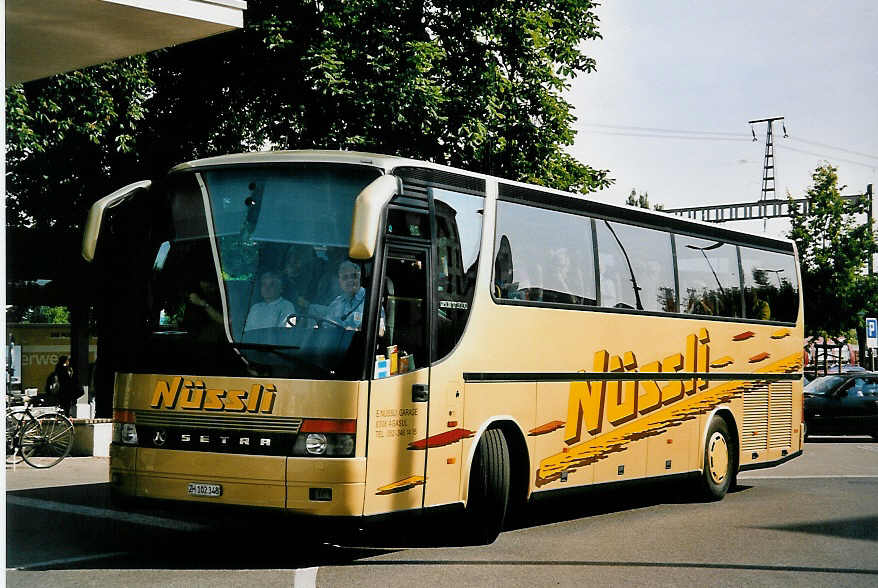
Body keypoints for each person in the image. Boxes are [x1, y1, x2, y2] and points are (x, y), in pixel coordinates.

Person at [312, 261, 385, 335]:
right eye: (345, 277)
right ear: (340, 281)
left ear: (360, 278)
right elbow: (326, 324)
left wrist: (358, 331)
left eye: (354, 276)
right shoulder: (337, 302)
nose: (350, 280)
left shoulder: (372, 301)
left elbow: (380, 332)